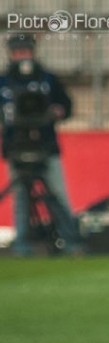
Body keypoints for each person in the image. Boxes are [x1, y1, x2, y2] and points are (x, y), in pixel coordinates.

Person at [0, 34, 82, 256]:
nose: (22, 56)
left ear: (33, 52)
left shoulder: (47, 79)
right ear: (11, 53)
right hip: (16, 146)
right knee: (21, 197)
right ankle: (22, 245)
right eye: (17, 52)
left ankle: (72, 242)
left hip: (46, 146)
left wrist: (58, 111)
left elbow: (66, 104)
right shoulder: (4, 82)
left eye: (25, 51)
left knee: (57, 193)